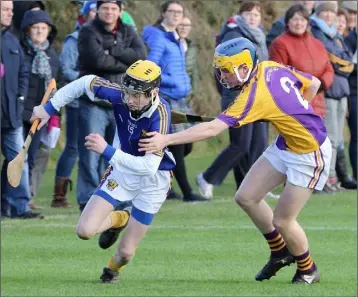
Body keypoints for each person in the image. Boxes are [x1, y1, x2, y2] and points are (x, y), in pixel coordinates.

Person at [139, 37, 331, 284]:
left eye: (227, 71)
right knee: (246, 197)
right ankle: (280, 252)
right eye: (220, 70)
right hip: (286, 144)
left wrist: (164, 140)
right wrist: (290, 115)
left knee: (282, 220)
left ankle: (308, 269)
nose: (223, 77)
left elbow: (211, 129)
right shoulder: (269, 66)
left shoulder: (252, 96)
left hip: (310, 152)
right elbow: (311, 84)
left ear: (244, 67)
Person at [30, 60, 175, 283]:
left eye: (138, 95)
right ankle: (121, 218)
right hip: (122, 173)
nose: (131, 100)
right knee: (85, 231)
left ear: (153, 93)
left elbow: (148, 167)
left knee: (126, 253)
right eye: (128, 93)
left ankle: (111, 270)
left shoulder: (160, 115)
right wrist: (49, 108)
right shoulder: (120, 95)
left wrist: (107, 150)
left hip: (154, 180)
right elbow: (84, 83)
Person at [76, 0, 147, 211]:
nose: (109, 12)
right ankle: (87, 198)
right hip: (94, 102)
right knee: (90, 153)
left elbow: (141, 57)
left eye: (114, 8)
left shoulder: (128, 30)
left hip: (121, 103)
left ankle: (115, 195)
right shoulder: (87, 31)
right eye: (105, 8)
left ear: (120, 11)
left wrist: (113, 50)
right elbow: (97, 61)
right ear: (97, 10)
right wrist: (125, 59)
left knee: (118, 153)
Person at [197, 1, 271, 199]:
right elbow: (227, 70)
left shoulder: (260, 36)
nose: (253, 17)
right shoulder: (234, 34)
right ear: (241, 15)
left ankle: (251, 188)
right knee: (240, 145)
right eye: (249, 13)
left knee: (258, 144)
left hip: (259, 96)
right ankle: (207, 177)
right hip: (238, 96)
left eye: (256, 14)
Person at [142, 0, 207, 202]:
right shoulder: (159, 37)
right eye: (172, 11)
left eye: (179, 12)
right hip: (166, 97)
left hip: (180, 98)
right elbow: (150, 67)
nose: (176, 15)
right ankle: (187, 192)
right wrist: (172, 82)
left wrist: (184, 83)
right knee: (177, 145)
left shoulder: (175, 38)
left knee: (184, 145)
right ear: (163, 13)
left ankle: (163, 185)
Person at [51, 1, 97, 209]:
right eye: (94, 10)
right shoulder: (75, 39)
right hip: (78, 102)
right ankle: (58, 194)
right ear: (86, 14)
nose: (98, 14)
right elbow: (66, 69)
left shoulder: (104, 38)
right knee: (73, 148)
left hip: (99, 104)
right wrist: (88, 81)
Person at [1, 0, 42, 219]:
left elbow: (23, 73)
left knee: (18, 160)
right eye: (5, 10)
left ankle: (19, 207)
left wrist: (19, 99)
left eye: (11, 10)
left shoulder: (12, 41)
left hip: (12, 116)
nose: (10, 14)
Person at [310, 1, 354, 192]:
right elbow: (332, 59)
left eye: (331, 12)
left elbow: (347, 59)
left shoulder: (335, 34)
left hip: (341, 91)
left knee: (337, 140)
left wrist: (344, 65)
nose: (328, 15)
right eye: (325, 11)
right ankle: (325, 179)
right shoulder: (317, 32)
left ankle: (333, 178)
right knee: (329, 139)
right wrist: (344, 65)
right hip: (328, 91)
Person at [20, 9, 60, 208]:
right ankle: (11, 199)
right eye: (35, 28)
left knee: (31, 158)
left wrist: (53, 115)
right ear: (27, 30)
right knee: (16, 157)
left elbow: (54, 88)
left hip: (40, 117)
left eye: (43, 28)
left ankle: (24, 199)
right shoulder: (20, 51)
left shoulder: (52, 55)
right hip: (19, 114)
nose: (39, 32)